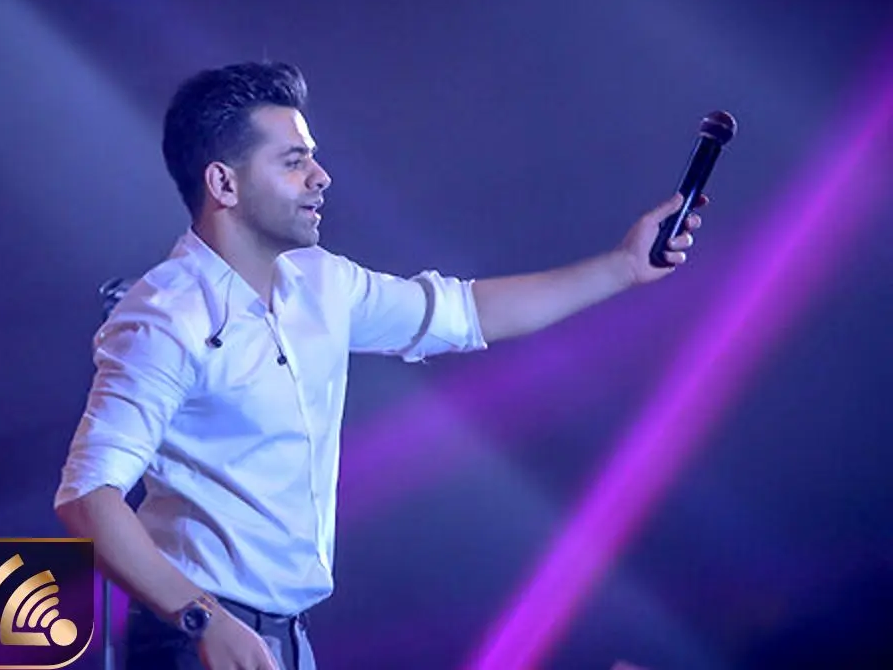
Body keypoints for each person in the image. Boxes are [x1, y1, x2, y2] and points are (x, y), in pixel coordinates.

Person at [54, 62, 706, 670]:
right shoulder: (166, 316)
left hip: (285, 638)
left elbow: (468, 313)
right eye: (294, 161)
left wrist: (622, 267)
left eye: (312, 157)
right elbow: (87, 498)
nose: (321, 176)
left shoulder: (321, 284)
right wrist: (201, 619)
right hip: (193, 642)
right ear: (223, 183)